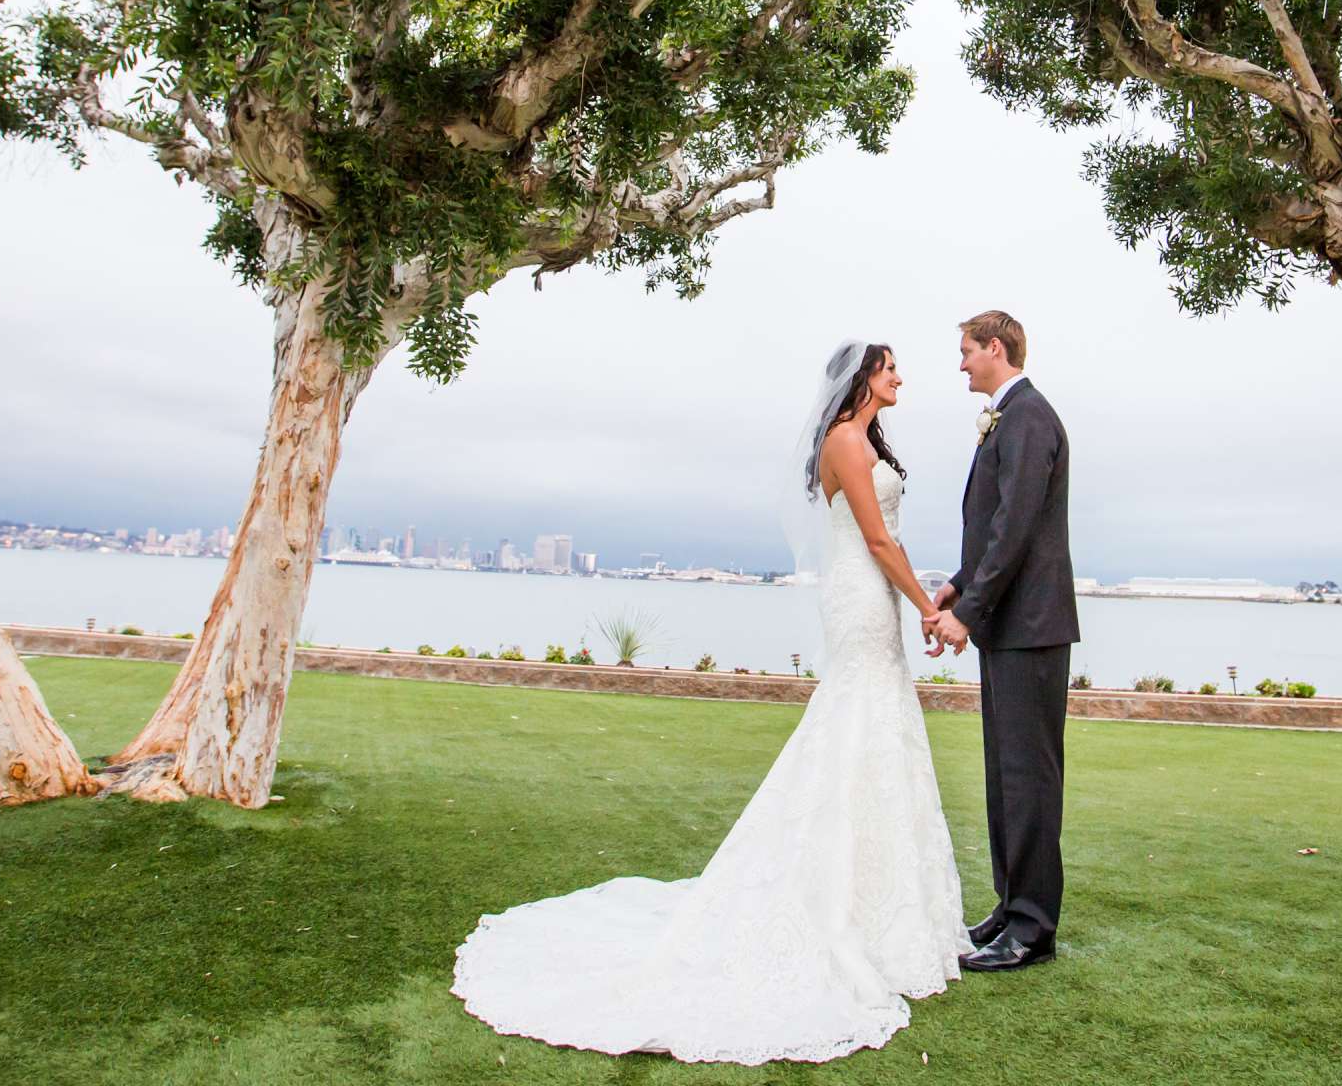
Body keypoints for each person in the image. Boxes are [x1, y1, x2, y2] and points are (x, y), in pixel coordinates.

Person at [450, 339, 967, 1063]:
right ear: (862, 381)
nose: (900, 377)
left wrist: (917, 602)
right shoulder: (847, 442)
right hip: (864, 596)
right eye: (889, 369)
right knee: (855, 724)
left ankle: (878, 903)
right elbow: (879, 542)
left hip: (874, 598)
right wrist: (926, 607)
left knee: (876, 729)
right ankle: (839, 905)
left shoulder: (865, 438)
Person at [926, 309, 1077, 972]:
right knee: (1004, 777)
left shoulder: (1029, 417)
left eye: (966, 351)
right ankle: (1010, 904)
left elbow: (1016, 527)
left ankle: (1032, 926)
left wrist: (970, 611)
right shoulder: (1008, 417)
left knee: (1030, 778)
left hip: (1030, 627)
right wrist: (962, 585)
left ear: (996, 348)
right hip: (1009, 627)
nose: (960, 362)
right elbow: (999, 526)